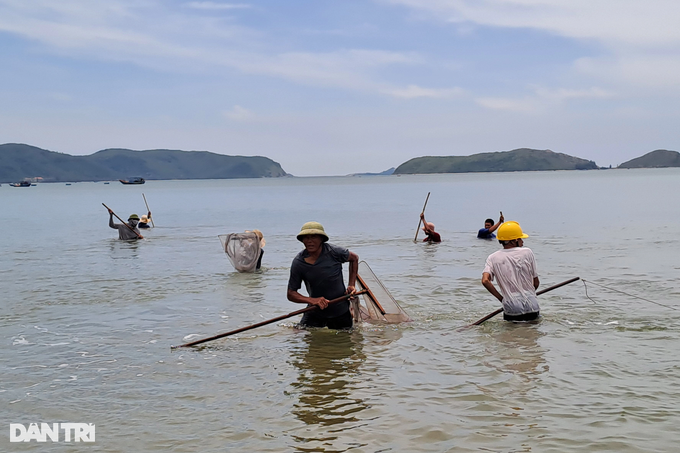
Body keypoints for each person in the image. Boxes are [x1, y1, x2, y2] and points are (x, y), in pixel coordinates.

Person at [287, 221, 359, 329]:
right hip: (315, 311)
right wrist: (312, 300)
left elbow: (354, 258)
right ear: (302, 240)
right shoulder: (299, 263)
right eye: (306, 238)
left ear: (321, 239)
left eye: (314, 237)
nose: (309, 241)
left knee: (344, 341)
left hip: (340, 310)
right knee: (301, 335)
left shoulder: (334, 252)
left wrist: (351, 285)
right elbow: (291, 294)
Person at [481, 221, 540, 322]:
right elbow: (536, 283)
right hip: (532, 305)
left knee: (511, 336)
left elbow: (485, 281)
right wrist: (529, 293)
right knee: (531, 335)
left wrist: (502, 299)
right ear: (514, 240)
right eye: (520, 238)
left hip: (512, 307)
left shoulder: (492, 257)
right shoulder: (527, 252)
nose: (522, 241)